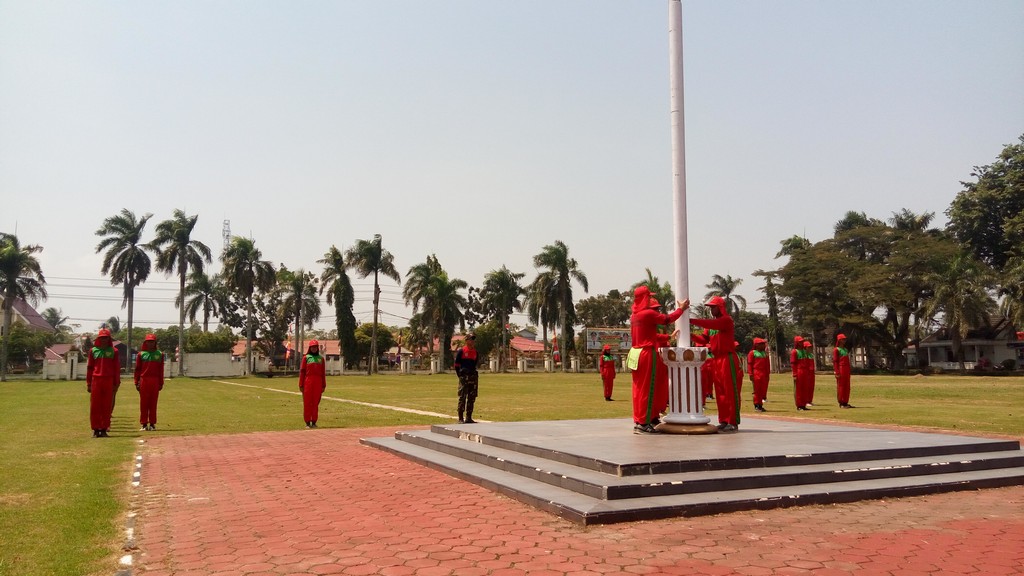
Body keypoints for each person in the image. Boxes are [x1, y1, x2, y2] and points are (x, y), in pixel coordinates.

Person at [628, 286, 684, 434]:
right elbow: (667, 319)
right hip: (646, 353)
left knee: (638, 389)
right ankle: (644, 423)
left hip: (635, 353)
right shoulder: (647, 314)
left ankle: (639, 420)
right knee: (648, 388)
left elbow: (648, 335)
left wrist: (667, 337)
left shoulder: (634, 316)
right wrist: (681, 309)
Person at [683, 296, 741, 432]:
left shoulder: (726, 320)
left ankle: (733, 421)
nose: (711, 310)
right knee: (720, 391)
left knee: (730, 391)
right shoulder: (712, 325)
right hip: (716, 359)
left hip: (727, 359)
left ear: (720, 307)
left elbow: (712, 325)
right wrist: (689, 334)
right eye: (710, 307)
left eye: (713, 307)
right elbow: (703, 339)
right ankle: (724, 420)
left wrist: (690, 320)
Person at [86, 328, 120, 437]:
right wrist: (88, 383)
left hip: (109, 380)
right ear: (98, 339)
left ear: (109, 339)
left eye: (106, 338)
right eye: (102, 338)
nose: (104, 340)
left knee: (106, 406)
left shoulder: (114, 351)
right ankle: (96, 429)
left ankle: (104, 428)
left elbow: (116, 368)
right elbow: (90, 368)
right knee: (95, 406)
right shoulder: (93, 351)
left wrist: (116, 383)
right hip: (96, 380)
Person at [134, 333, 165, 431]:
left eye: (152, 342)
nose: (150, 344)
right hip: (144, 380)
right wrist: (136, 382)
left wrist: (161, 382)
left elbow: (161, 370)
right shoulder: (141, 354)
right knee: (144, 403)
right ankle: (143, 424)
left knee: (153, 403)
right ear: (145, 342)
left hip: (155, 380)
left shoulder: (160, 354)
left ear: (155, 343)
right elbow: (137, 369)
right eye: (148, 342)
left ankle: (152, 424)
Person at [299, 340, 327, 428]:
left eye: (315, 347)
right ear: (310, 348)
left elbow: (323, 373)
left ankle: (314, 421)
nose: (314, 348)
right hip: (308, 381)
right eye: (312, 347)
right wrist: (301, 384)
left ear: (317, 348)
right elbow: (302, 372)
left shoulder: (321, 359)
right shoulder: (306, 358)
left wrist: (323, 385)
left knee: (315, 402)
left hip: (318, 382)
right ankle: (307, 422)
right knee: (307, 402)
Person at [454, 333, 479, 423]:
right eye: (470, 339)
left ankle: (469, 417)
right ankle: (460, 418)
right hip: (464, 376)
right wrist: (460, 376)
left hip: (473, 376)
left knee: (472, 397)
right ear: (466, 341)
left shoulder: (475, 352)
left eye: (473, 339)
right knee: (462, 397)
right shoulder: (462, 351)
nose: (472, 341)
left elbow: (475, 364)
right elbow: (456, 365)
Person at [748, 337, 770, 412]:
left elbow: (767, 365)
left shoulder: (764, 353)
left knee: (762, 390)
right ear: (756, 345)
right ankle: (757, 405)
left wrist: (767, 374)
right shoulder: (752, 353)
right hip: (756, 372)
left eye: (763, 344)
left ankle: (760, 404)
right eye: (761, 344)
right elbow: (750, 364)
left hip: (763, 373)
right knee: (757, 390)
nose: (763, 346)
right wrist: (751, 374)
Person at [833, 333, 854, 408]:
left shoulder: (845, 349)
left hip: (846, 369)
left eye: (845, 339)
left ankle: (845, 401)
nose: (844, 340)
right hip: (841, 368)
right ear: (839, 340)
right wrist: (836, 371)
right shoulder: (836, 350)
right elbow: (835, 361)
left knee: (847, 386)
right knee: (841, 386)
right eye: (843, 339)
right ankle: (841, 402)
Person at [791, 336, 809, 410]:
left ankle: (803, 404)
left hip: (805, 371)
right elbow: (793, 364)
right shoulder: (794, 352)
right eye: (800, 342)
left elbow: (807, 362)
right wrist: (795, 374)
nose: (802, 343)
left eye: (802, 341)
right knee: (799, 389)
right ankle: (799, 405)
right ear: (797, 343)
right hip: (799, 371)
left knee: (805, 388)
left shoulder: (804, 351)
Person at [803, 339, 816, 407]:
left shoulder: (811, 355)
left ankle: (810, 400)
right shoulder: (804, 355)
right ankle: (806, 401)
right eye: (808, 347)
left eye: (810, 347)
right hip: (806, 372)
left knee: (811, 387)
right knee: (806, 387)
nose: (810, 348)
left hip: (811, 373)